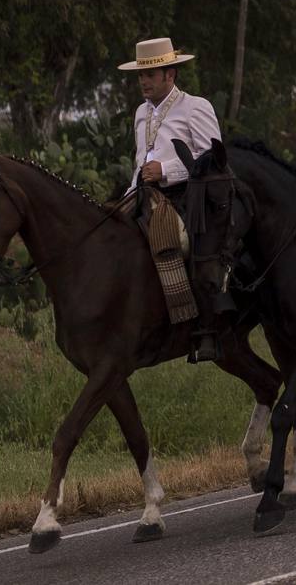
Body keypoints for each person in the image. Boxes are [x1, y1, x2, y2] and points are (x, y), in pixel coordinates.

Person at [118, 37, 224, 361]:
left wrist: (165, 169)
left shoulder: (195, 107)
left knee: (167, 236)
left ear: (171, 75)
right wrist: (130, 193)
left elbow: (213, 157)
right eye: (140, 75)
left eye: (151, 74)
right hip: (143, 192)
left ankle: (192, 322)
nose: (144, 82)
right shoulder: (140, 112)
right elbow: (140, 163)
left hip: (184, 194)